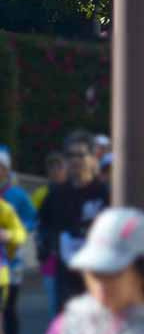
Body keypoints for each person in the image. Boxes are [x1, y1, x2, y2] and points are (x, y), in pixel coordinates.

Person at [37, 131, 108, 314]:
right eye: (70, 155)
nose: (75, 160)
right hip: (66, 276)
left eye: (80, 155)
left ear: (93, 158)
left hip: (98, 276)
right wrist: (47, 243)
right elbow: (43, 225)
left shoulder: (104, 193)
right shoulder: (56, 194)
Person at [0, 146, 35, 334]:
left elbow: (31, 220)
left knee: (9, 308)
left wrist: (11, 235)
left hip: (12, 261)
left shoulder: (17, 196)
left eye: (1, 169)